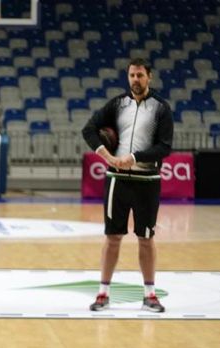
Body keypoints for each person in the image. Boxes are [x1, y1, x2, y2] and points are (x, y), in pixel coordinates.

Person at [82, 58, 173, 313]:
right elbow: (88, 129)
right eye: (132, 75)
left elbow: (165, 147)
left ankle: (150, 295)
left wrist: (133, 158)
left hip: (147, 181)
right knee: (112, 238)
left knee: (146, 238)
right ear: (128, 76)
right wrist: (108, 157)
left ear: (149, 77)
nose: (135, 80)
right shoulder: (117, 104)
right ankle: (103, 294)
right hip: (116, 181)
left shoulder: (161, 108)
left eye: (140, 75)